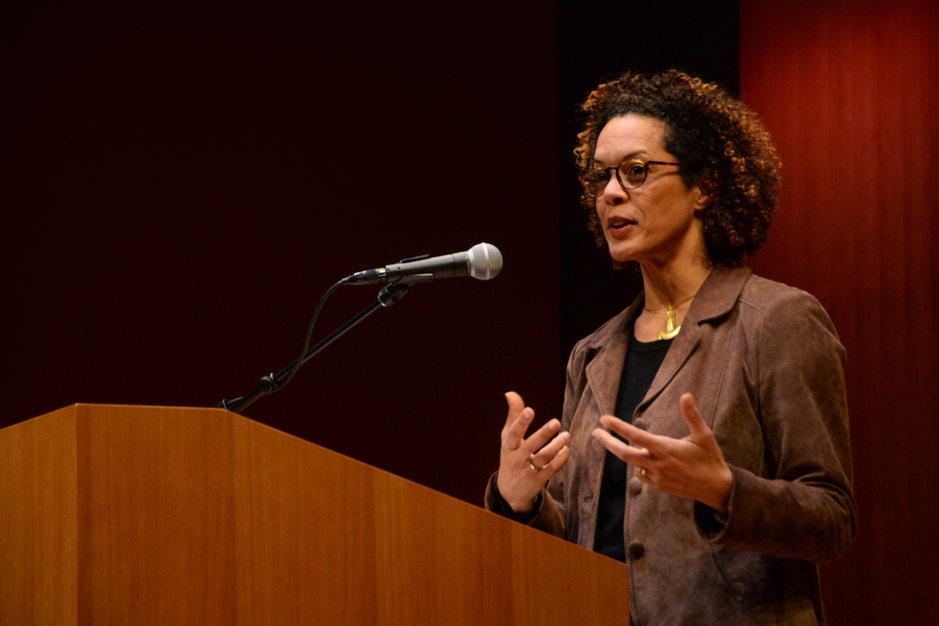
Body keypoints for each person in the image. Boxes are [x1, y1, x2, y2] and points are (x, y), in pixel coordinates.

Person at [485, 70, 855, 625]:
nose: (611, 193)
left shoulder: (776, 320)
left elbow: (832, 518)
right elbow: (587, 536)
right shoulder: (594, 354)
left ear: (704, 187)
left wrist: (727, 490)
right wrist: (524, 501)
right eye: (601, 177)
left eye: (636, 171)